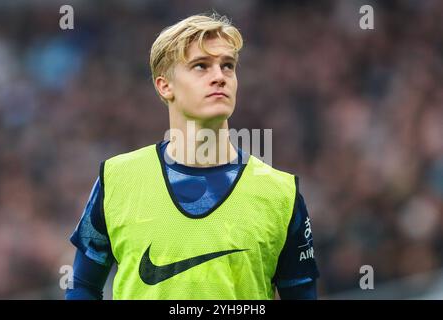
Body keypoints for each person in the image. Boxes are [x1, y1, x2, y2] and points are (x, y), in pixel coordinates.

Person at [66, 13, 319, 300]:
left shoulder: (281, 194)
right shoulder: (116, 180)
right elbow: (82, 286)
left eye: (228, 66)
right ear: (165, 85)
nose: (219, 77)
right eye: (201, 66)